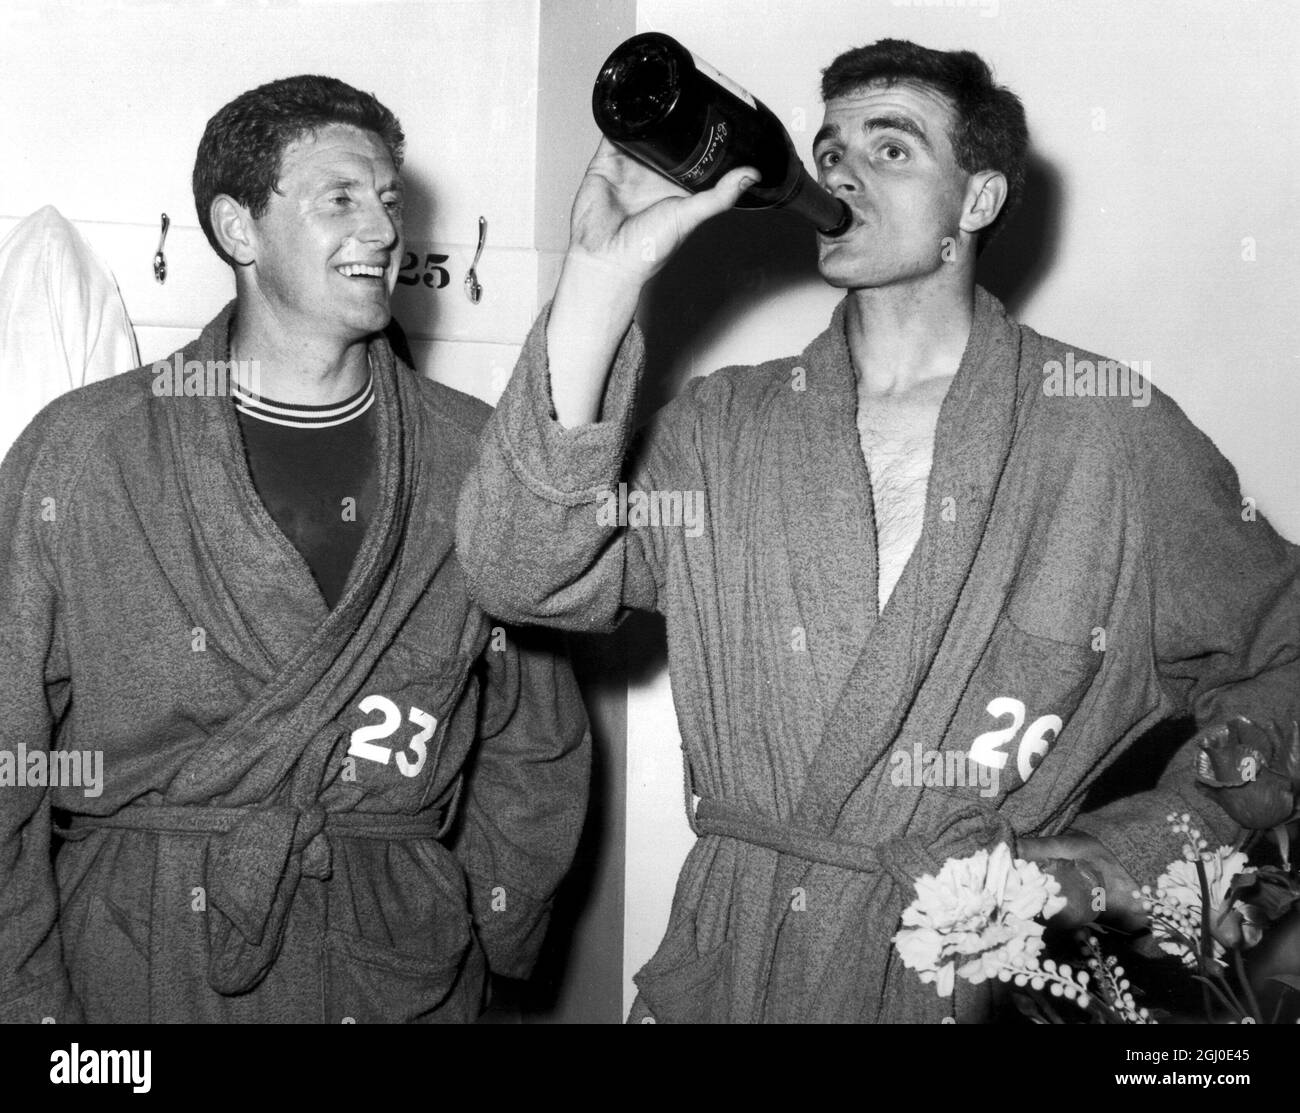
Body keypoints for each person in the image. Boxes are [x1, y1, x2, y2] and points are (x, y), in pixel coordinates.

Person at [455, 39, 1300, 1022]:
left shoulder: (1108, 433)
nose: (841, 171)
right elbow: (519, 572)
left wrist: (1121, 864)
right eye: (829, 149)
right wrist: (599, 287)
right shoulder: (724, 428)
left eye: (891, 149)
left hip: (954, 979)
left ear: (976, 202)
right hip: (722, 971)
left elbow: (1287, 653)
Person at [0, 74, 591, 1023]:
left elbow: (536, 731)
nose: (383, 228)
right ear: (239, 230)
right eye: (341, 198)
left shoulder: (475, 453)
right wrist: (27, 999)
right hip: (141, 956)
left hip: (400, 951)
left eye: (390, 200)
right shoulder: (85, 449)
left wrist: (483, 930)